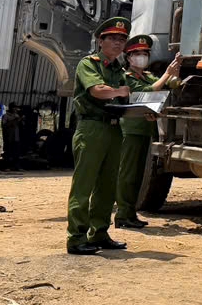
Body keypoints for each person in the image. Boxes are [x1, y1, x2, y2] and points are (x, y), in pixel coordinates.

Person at [65, 16, 132, 255]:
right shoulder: (89, 64)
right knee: (85, 184)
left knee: (107, 185)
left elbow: (127, 100)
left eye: (122, 39)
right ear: (100, 41)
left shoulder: (119, 70)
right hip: (92, 128)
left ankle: (100, 233)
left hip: (115, 128)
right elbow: (97, 91)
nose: (118, 43)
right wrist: (120, 91)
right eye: (113, 38)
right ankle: (76, 238)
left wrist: (145, 112)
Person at [114, 35, 181, 229]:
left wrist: (176, 71)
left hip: (145, 130)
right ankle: (123, 214)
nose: (141, 57)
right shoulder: (127, 78)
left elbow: (171, 85)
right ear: (128, 58)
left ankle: (130, 213)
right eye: (137, 54)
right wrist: (167, 74)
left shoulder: (149, 75)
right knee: (128, 174)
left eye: (145, 54)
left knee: (138, 176)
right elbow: (149, 92)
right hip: (131, 131)